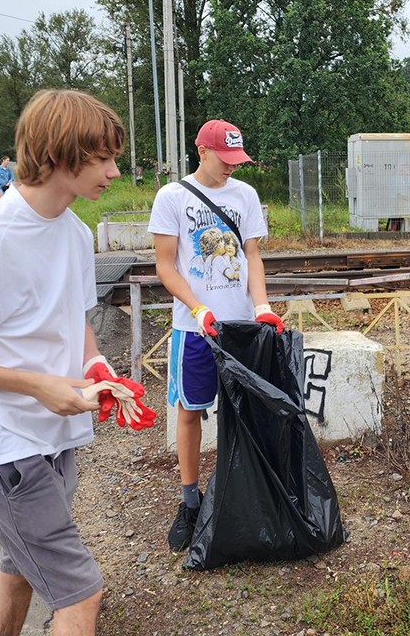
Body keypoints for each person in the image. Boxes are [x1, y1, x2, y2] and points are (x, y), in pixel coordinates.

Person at [0, 89, 155, 636]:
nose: (114, 171)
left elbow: (73, 320)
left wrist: (97, 369)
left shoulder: (75, 233)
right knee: (81, 595)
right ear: (62, 155)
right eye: (104, 157)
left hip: (53, 438)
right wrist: (37, 386)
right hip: (4, 447)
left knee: (18, 570)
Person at [147, 118, 285, 552]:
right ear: (201, 151)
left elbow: (252, 256)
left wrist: (261, 305)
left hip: (241, 327)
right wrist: (198, 306)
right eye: (224, 160)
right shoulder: (172, 197)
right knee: (190, 411)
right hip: (194, 329)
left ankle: (239, 490)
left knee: (240, 410)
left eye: (236, 160)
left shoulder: (245, 195)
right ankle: (190, 500)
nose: (231, 168)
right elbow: (165, 266)